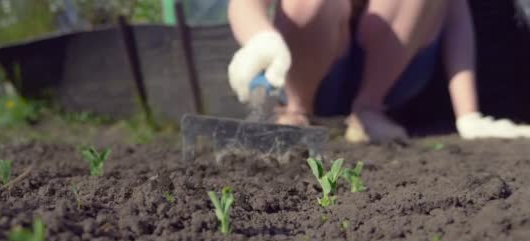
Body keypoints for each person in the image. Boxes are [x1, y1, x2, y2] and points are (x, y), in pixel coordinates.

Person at [227, 0, 530, 143]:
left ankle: (368, 110)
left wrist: (469, 116)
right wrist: (260, 40)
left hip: (397, 77)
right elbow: (244, 4)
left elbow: (456, 21)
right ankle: (296, 111)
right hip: (314, 76)